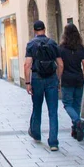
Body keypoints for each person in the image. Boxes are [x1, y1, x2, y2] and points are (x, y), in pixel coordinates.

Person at [24, 20, 63, 151]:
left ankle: (36, 133)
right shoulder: (52, 43)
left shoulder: (31, 44)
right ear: (44, 29)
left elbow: (27, 65)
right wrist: (57, 79)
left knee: (37, 107)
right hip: (51, 78)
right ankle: (53, 142)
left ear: (34, 30)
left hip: (37, 78)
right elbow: (61, 64)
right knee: (53, 111)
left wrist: (28, 82)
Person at [59, 24, 84, 141]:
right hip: (78, 79)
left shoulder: (61, 48)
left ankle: (77, 122)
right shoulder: (80, 48)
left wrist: (58, 79)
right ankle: (76, 130)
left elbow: (61, 66)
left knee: (67, 104)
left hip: (67, 79)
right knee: (77, 105)